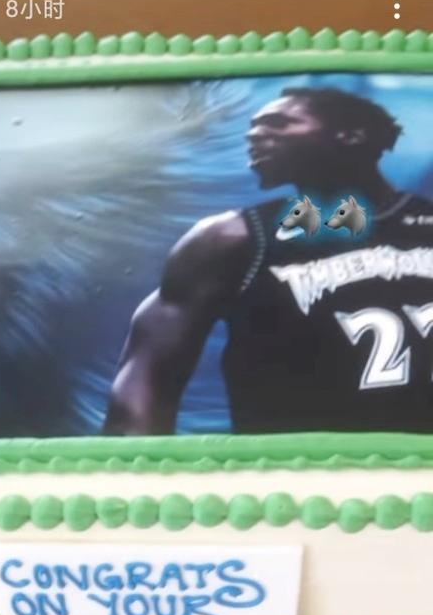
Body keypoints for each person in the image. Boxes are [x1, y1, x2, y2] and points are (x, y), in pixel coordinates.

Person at [104, 88, 433, 434]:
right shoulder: (230, 239)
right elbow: (146, 384)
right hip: (298, 466)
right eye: (253, 126)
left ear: (351, 135)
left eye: (277, 123)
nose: (254, 134)